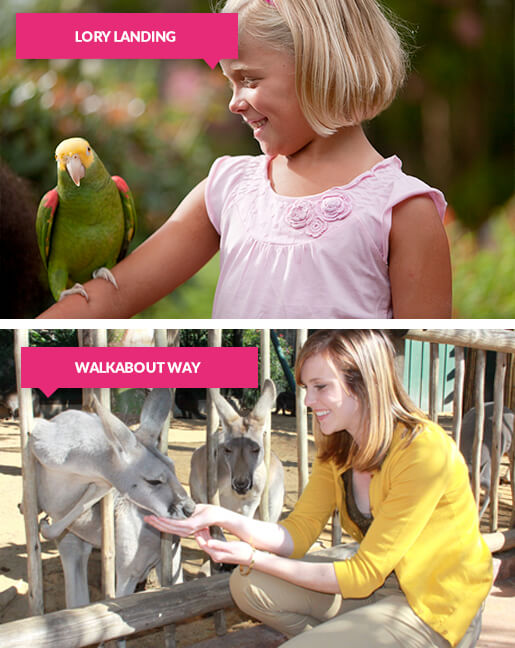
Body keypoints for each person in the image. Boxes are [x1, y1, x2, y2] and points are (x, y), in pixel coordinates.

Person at [38, 0, 451, 319]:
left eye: (249, 80)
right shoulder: (228, 188)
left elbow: (421, 351)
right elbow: (116, 294)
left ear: (323, 68)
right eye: (229, 82)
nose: (234, 103)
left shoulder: (403, 211)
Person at [145, 330, 492, 648]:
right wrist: (223, 517)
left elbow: (361, 575)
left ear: (364, 384)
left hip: (435, 603)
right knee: (247, 585)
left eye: (320, 387)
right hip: (381, 589)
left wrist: (254, 556)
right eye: (305, 388)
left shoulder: (422, 451)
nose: (308, 400)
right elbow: (298, 533)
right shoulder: (339, 447)